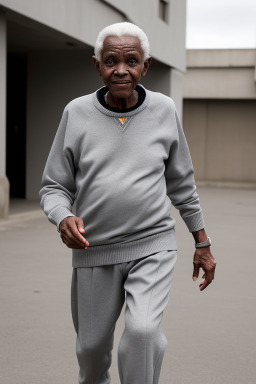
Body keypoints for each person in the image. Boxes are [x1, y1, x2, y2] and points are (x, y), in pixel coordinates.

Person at [39, 22, 216, 384]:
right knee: (90, 352)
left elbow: (182, 183)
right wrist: (62, 217)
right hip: (94, 250)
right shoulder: (76, 113)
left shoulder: (164, 111)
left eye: (131, 61)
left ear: (145, 66)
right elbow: (53, 186)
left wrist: (203, 243)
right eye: (111, 61)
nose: (121, 70)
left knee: (143, 333)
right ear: (97, 65)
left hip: (152, 246)